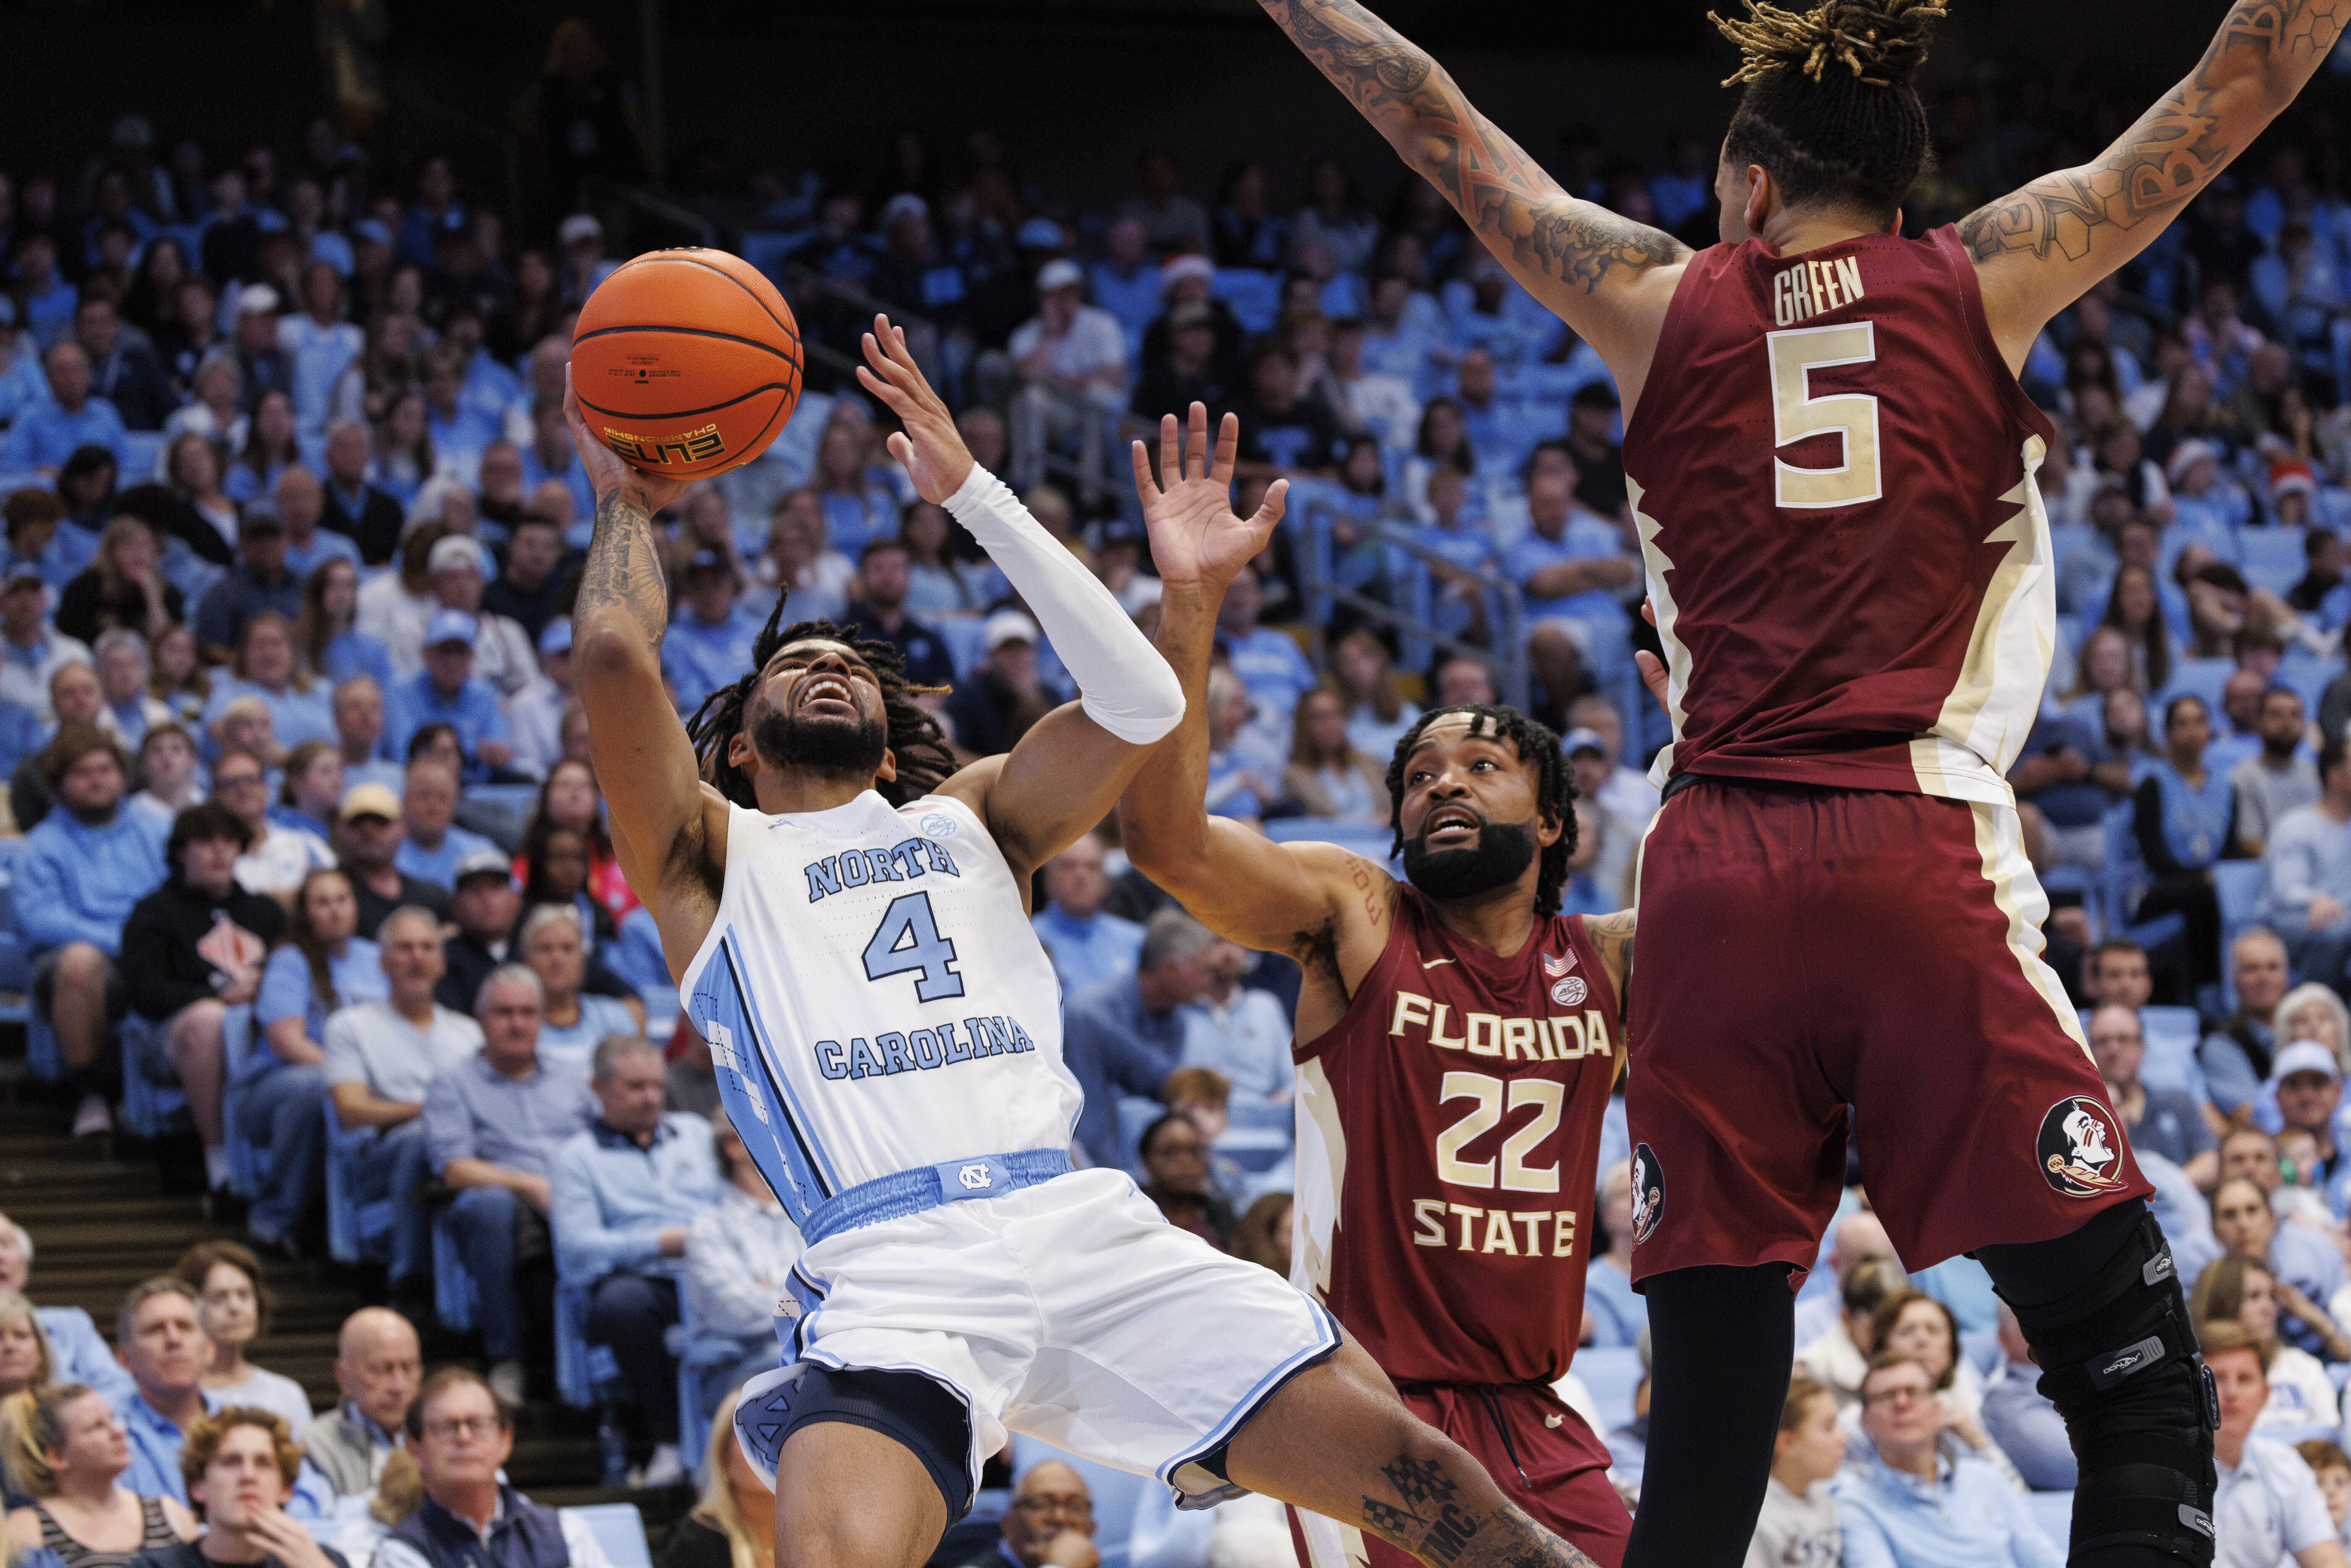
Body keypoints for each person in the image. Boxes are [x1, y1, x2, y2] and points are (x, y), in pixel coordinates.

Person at [1265, 0, 2346, 1552]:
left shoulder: (1650, 299)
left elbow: (1440, 128)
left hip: (1707, 872)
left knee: (1707, 1414)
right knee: (2134, 1386)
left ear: (1752, 189)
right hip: (1909, 847)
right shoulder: (1986, 273)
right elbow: (2238, 72)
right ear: (1895, 195)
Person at [570, 318, 1587, 1568]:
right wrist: (629, 493)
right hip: (895, 1266)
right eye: (795, 668)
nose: (825, 669)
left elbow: (1142, 703)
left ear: (894, 745)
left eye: (848, 665)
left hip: (1078, 1219)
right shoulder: (707, 855)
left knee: (1434, 1482)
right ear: (736, 746)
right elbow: (618, 650)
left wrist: (974, 494)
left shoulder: (979, 816)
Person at [1116, 400, 1638, 1566]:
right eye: (1417, 774)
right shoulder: (1356, 915)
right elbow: (1165, 845)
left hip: (1541, 1413)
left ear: (1554, 820)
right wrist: (1189, 604)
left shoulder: (1607, 960)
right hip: (1370, 1410)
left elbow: (1767, 928)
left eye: (1480, 766)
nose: (1440, 785)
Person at [549, 1036, 721, 1487]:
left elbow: (734, 1201)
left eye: (656, 1086)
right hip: (640, 1279)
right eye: (635, 1087)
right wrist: (657, 1243)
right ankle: (666, 1439)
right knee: (623, 1306)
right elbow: (577, 1248)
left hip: (712, 1267)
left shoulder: (697, 1134)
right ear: (599, 1088)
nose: (651, 1098)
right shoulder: (576, 1159)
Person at [422, 966, 595, 1404]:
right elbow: (454, 1168)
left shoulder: (574, 1080)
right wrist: (531, 1184)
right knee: (491, 1208)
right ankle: (507, 1358)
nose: (517, 1023)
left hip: (574, 1199)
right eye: (504, 1013)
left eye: (528, 1013)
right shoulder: (453, 1081)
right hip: (505, 1199)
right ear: (481, 1021)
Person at [322, 907, 484, 1311]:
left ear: (442, 962)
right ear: (382, 961)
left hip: (463, 1150)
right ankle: (407, 1279)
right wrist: (431, 1111)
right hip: (380, 1155)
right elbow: (351, 1109)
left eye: (428, 948)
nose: (417, 958)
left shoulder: (469, 1032)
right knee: (421, 1139)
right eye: (404, 948)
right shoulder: (350, 1025)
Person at [19, 726, 164, 1139]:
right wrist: (124, 942)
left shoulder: (157, 829)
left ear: (122, 776)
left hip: (153, 955)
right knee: (79, 963)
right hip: (76, 962)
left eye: (105, 769)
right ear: (60, 785)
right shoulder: (42, 845)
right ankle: (90, 1093)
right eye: (82, 773)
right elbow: (42, 919)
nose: (97, 779)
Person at [1829, 1353, 2063, 1568]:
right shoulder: (1856, 1506)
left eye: (1913, 1392)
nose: (1902, 1403)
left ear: (1938, 1409)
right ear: (1864, 1422)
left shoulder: (1984, 1478)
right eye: (1887, 1396)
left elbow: (2043, 1559)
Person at [369, 1369, 613, 1568]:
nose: (464, 1437)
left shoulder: (565, 1534)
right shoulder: (400, 1554)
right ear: (415, 1451)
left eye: (477, 1424)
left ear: (505, 1441)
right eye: (446, 1427)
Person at [1059, 909, 1217, 1170]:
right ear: (1171, 969)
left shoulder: (1176, 1018)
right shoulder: (1087, 1014)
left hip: (1142, 1159)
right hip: (1090, 1165)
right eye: (1203, 972)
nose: (1209, 982)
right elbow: (1089, 1127)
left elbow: (1169, 1094)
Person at [2202, 1322, 2351, 1568]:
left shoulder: (2286, 1467)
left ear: (2265, 1397)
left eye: (2245, 1379)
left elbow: (2326, 1559)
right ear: (2194, 1391)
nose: (2232, 1393)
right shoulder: (2163, 1468)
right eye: (2218, 1378)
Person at [2, 1383, 198, 1566]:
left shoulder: (169, 1512)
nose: (119, 1431)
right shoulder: (29, 1530)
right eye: (97, 1427)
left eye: (112, 1419)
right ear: (57, 1457)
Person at [684, 1121, 806, 1411]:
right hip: (737, 1367)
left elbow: (839, 1287)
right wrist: (808, 1299)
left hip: (812, 1354)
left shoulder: (809, 1219)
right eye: (774, 1127)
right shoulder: (709, 1228)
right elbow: (736, 1312)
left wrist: (770, 1289)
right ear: (733, 1146)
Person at [128, 1406, 348, 1568]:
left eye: (264, 1463)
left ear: (286, 1490)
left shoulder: (324, 1561)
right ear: (198, 1487)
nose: (248, 1476)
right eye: (231, 1462)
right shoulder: (154, 1566)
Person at [170, 1245, 309, 1435]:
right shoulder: (173, 1394)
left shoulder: (287, 1394)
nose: (235, 1307)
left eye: (244, 1295)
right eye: (219, 1298)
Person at [2190, 1256, 2338, 1432]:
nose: (2268, 1308)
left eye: (2272, 1298)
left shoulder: (2303, 1366)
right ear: (2222, 1303)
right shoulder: (2198, 1368)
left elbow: (2330, 1439)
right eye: (2254, 1297)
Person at [0, 1220, 133, 1403]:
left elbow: (119, 1390)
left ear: (25, 1264)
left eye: (5, 1244)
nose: (0, 1256)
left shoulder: (71, 1325)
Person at [2089, 1003, 2219, 1189]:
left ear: (2142, 1048)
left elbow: (2211, 1163)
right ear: (2089, 1051)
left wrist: (2160, 1191)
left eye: (2124, 1039)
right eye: (2103, 1041)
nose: (2114, 1050)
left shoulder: (2176, 1102)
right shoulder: (2083, 1113)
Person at [300, 1309, 419, 1499]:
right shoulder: (314, 1446)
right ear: (344, 1378)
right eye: (382, 1370)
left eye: (409, 1368)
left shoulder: (437, 1436)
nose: (399, 1386)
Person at [2268, 740, 2351, 995]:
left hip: (2344, 921)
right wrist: (2315, 898)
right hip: (2298, 919)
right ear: (2334, 775)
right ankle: (2313, 1004)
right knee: (2335, 931)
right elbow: (2286, 890)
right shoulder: (2297, 825)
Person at [657, 1391, 774, 1568]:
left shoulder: (820, 1532)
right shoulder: (697, 1540)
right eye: (750, 1437)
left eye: (775, 1433)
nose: (765, 1449)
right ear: (723, 1459)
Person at [514, 906, 638, 1068]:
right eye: (545, 949)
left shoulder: (615, 1018)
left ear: (584, 959)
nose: (557, 959)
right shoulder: (515, 1024)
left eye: (568, 948)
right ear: (526, 958)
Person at [1028, 836, 1145, 998]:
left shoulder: (1138, 941)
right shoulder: (1028, 940)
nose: (1081, 876)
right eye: (1069, 866)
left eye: (1092, 867)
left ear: (1106, 880)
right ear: (1048, 878)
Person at [1745, 1376, 1841, 1568]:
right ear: (1786, 1443)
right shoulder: (1756, 1518)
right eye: (1828, 1427)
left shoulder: (1819, 1494)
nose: (1843, 1437)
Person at [1978, 1303, 2074, 1493]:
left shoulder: (2083, 1374)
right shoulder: (2007, 1406)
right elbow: (2089, 1463)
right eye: (2033, 1321)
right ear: (2004, 1338)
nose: (2052, 1329)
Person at [2208, 928, 2294, 1117]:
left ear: (2287, 977)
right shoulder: (2221, 1044)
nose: (2263, 977)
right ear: (2234, 980)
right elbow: (2253, 1116)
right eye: (2252, 968)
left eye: (2273, 967)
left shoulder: (2308, 1032)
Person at [1283, 685, 1390, 822]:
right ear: (1305, 726)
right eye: (1322, 718)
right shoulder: (1296, 777)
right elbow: (1327, 822)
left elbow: (1393, 808)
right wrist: (1376, 820)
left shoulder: (1368, 762)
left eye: (1336, 715)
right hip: (1335, 842)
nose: (1332, 724)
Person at [2237, 687, 2322, 859]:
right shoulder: (2244, 777)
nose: (2287, 723)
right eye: (2276, 715)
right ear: (2258, 723)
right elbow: (2250, 843)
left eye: (2295, 715)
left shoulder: (2317, 774)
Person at [390, 760, 494, 891]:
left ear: (455, 802)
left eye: (443, 797)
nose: (433, 807)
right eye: (423, 796)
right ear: (403, 800)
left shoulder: (481, 852)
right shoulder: (385, 852)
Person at [1583, 1162, 1645, 1350]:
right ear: (1605, 1215)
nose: (1636, 1201)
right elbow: (1608, 1355)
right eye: (1623, 1194)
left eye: (1641, 1192)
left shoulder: (1672, 1275)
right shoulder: (1592, 1284)